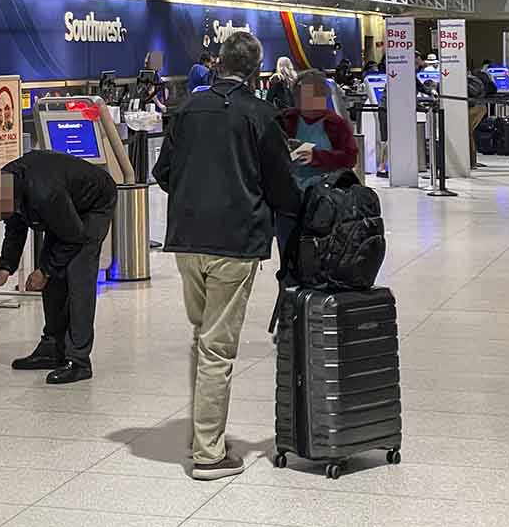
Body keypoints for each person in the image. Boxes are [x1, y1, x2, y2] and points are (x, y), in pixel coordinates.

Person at [153, 32, 300, 480]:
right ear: (255, 71)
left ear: (217, 63)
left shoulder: (185, 110)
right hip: (234, 244)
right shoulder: (259, 115)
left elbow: (163, 174)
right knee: (218, 347)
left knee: (202, 337)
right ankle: (208, 454)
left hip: (187, 242)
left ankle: (201, 433)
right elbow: (281, 188)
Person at [0, 150, 118, 385]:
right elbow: (15, 228)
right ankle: (52, 349)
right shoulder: (4, 188)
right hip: (65, 206)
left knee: (78, 275)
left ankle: (79, 360)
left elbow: (74, 237)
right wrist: (6, 268)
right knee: (52, 276)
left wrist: (44, 271)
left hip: (94, 204)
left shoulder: (45, 194)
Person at [276, 69, 359, 253]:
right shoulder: (285, 119)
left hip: (325, 200)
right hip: (290, 199)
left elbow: (350, 157)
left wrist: (318, 157)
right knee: (289, 252)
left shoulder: (336, 124)